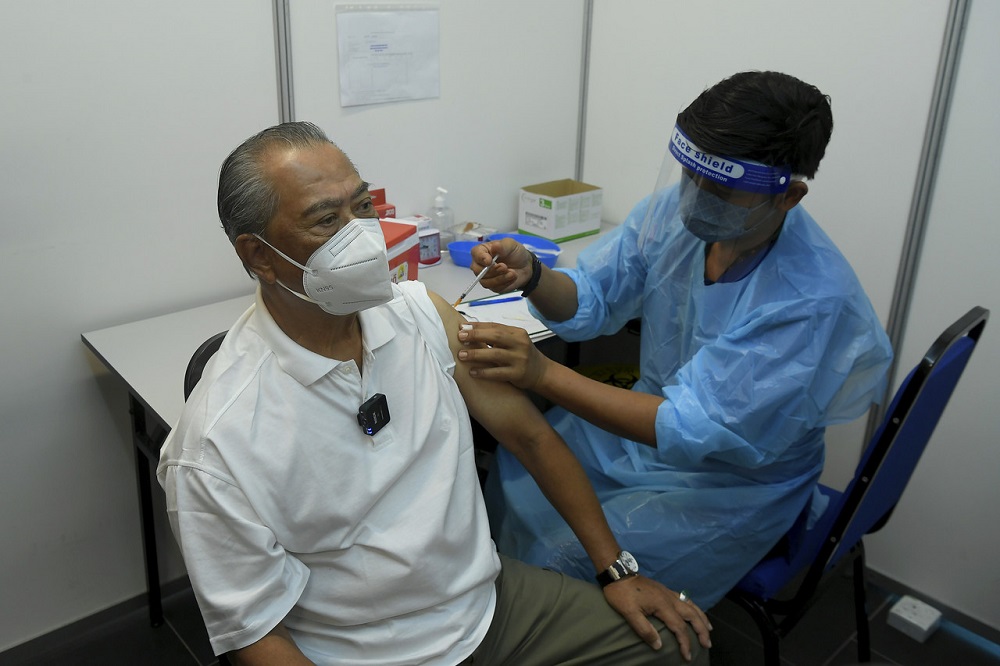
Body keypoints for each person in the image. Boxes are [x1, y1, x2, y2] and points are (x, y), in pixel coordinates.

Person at [156, 121, 711, 665]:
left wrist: (617, 570)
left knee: (674, 650)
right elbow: (257, 636)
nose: (362, 237)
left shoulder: (422, 316)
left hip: (488, 606)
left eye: (363, 207)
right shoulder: (212, 445)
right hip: (361, 648)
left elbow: (532, 438)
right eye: (326, 220)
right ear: (258, 256)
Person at [457, 71, 894, 610]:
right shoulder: (675, 215)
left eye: (722, 189)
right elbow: (594, 296)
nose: (696, 198)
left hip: (731, 483)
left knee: (567, 559)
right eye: (691, 174)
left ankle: (550, 630)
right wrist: (535, 277)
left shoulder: (809, 300)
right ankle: (510, 615)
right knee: (518, 467)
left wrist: (543, 373)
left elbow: (691, 426)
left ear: (789, 196)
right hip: (644, 435)